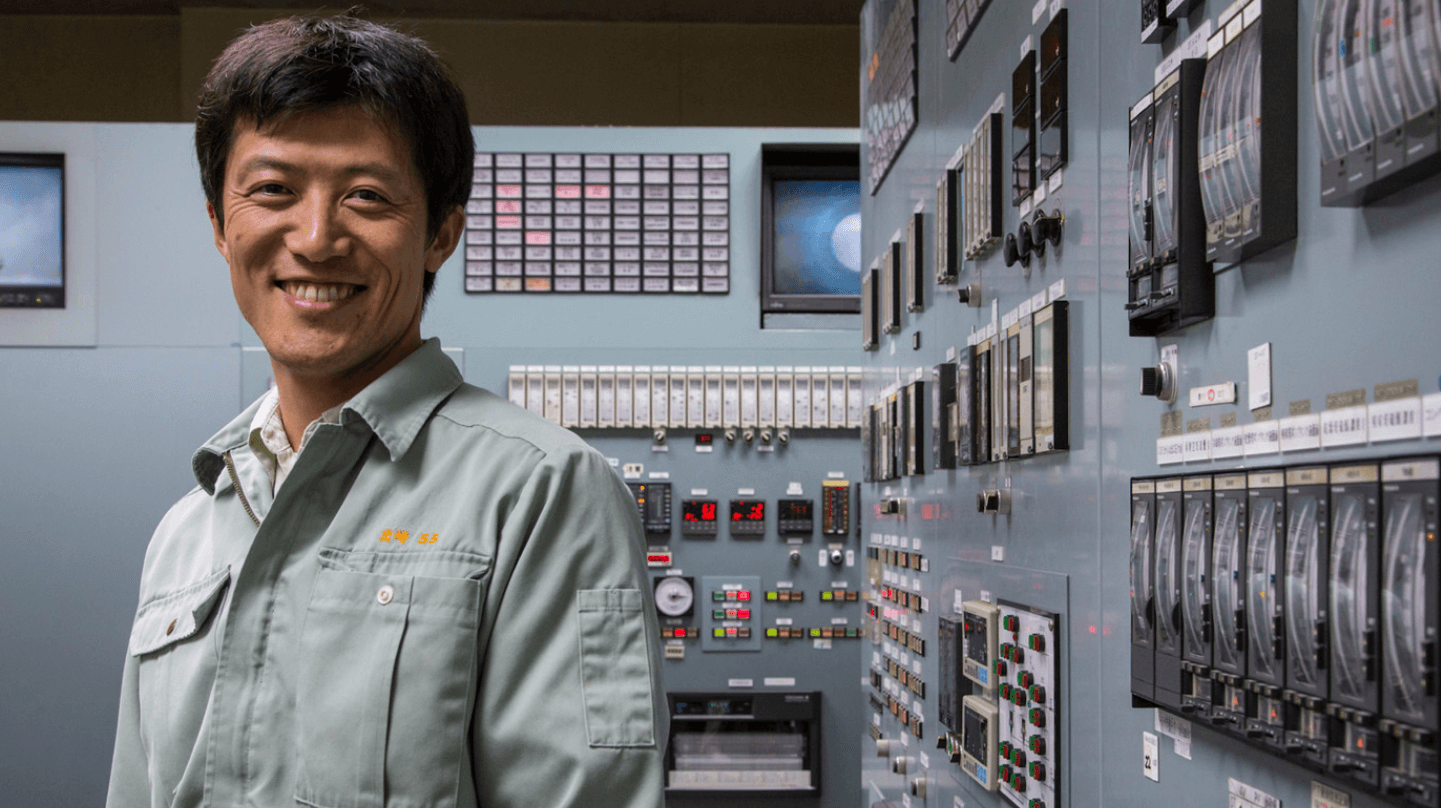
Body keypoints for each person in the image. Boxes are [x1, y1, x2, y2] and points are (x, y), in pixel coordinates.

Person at [106, 13, 666, 808]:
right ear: (219, 228)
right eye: (272, 190)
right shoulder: (185, 533)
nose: (315, 237)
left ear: (441, 233)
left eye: (366, 196)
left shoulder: (541, 492)